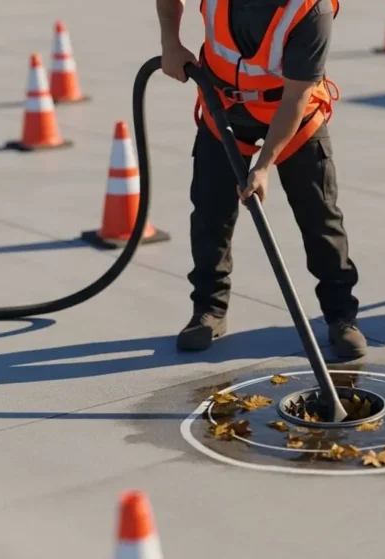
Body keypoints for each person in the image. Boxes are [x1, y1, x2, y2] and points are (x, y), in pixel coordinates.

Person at [157, 0, 367, 359]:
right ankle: (208, 310)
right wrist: (170, 44)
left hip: (293, 116)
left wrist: (264, 165)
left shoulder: (310, 11)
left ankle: (340, 316)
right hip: (222, 107)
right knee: (211, 213)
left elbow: (296, 96)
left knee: (320, 216)